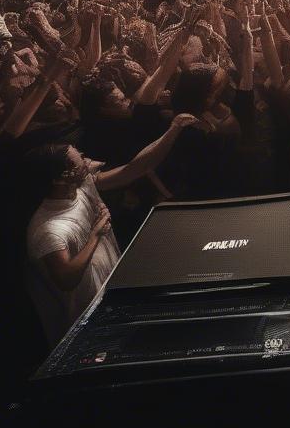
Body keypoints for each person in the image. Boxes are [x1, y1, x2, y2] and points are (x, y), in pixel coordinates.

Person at [24, 114, 197, 345]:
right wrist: (95, 234)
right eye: (79, 160)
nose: (86, 161)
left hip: (110, 301)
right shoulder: (49, 228)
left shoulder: (80, 187)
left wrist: (173, 129)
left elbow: (135, 168)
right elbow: (65, 278)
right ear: (61, 178)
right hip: (85, 326)